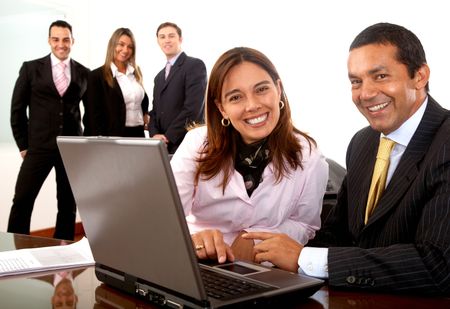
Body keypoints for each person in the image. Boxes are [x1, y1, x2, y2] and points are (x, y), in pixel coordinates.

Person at [243, 23, 450, 295]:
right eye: (356, 81)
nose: (365, 94)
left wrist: (304, 259)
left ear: (420, 76)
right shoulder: (362, 143)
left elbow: (437, 265)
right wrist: (264, 261)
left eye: (380, 76)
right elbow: (337, 235)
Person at [170, 47, 328, 263]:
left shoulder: (308, 154)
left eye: (261, 89)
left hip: (266, 272)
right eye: (236, 97)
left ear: (278, 90)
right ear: (222, 108)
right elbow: (163, 220)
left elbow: (305, 225)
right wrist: (193, 241)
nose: (252, 105)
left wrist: (254, 243)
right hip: (199, 265)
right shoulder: (197, 144)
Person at [8, 20, 89, 240]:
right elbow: (17, 110)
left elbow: (90, 113)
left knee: (67, 204)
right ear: (49, 40)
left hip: (71, 149)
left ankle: (61, 252)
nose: (61, 44)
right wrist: (24, 145)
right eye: (56, 39)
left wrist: (85, 146)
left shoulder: (83, 73)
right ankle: (14, 251)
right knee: (23, 200)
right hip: (39, 147)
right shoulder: (31, 68)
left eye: (66, 39)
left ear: (73, 40)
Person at [149, 22, 207, 154]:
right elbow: (155, 112)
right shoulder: (158, 77)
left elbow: (193, 109)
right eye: (162, 37)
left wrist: (168, 137)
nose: (167, 40)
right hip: (162, 146)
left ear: (180, 39)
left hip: (186, 143)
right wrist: (154, 135)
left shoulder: (194, 65)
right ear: (158, 41)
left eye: (171, 36)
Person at [85, 28, 149, 137]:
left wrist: (146, 114)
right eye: (121, 44)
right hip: (113, 136)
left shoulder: (136, 72)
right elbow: (93, 116)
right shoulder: (96, 76)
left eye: (130, 47)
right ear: (112, 45)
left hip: (138, 133)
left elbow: (142, 100)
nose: (125, 50)